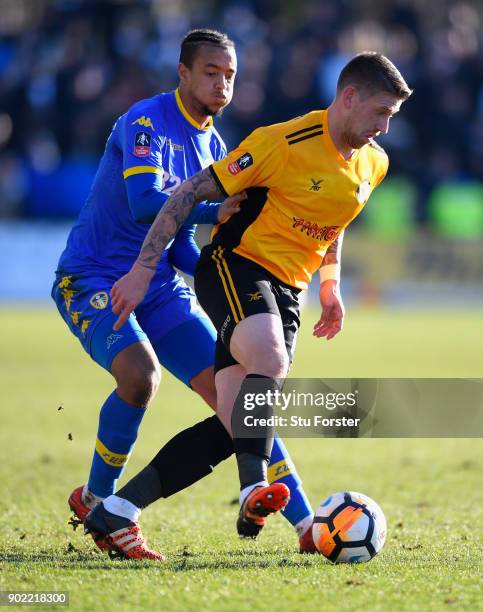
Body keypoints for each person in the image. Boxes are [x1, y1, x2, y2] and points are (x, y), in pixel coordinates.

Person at [90, 52, 412, 559]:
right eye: (379, 112)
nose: (384, 127)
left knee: (235, 420)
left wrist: (331, 284)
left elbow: (335, 220)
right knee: (270, 363)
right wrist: (143, 270)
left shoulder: (375, 162)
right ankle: (250, 491)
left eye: (391, 116)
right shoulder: (280, 142)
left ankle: (117, 511)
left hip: (288, 292)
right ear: (348, 98)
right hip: (234, 266)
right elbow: (184, 197)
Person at [52, 29, 316, 560]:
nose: (223, 84)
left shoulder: (215, 147)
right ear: (184, 73)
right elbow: (144, 201)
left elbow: (180, 251)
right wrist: (210, 210)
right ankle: (100, 501)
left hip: (158, 287)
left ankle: (307, 523)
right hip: (94, 276)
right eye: (212, 72)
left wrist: (229, 282)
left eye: (231, 76)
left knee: (238, 397)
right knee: (139, 376)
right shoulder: (145, 121)